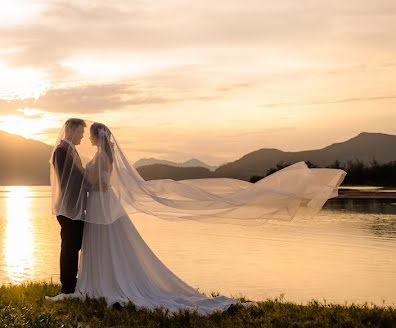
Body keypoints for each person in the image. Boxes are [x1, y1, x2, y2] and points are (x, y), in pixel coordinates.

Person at [48, 121, 346, 314]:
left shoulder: (100, 158)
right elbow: (83, 181)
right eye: (82, 132)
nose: (86, 137)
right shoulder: (86, 154)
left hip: (100, 204)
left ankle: (101, 282)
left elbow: (96, 182)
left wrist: (88, 182)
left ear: (99, 136)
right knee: (102, 247)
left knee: (106, 246)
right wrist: (86, 182)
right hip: (98, 207)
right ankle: (94, 281)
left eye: (89, 133)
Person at [46, 118, 89, 300]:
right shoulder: (61, 151)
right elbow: (68, 180)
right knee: (70, 247)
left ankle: (73, 282)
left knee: (75, 245)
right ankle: (68, 287)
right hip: (68, 208)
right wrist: (90, 181)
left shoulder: (71, 150)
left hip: (75, 206)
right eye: (80, 132)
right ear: (70, 130)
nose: (82, 136)